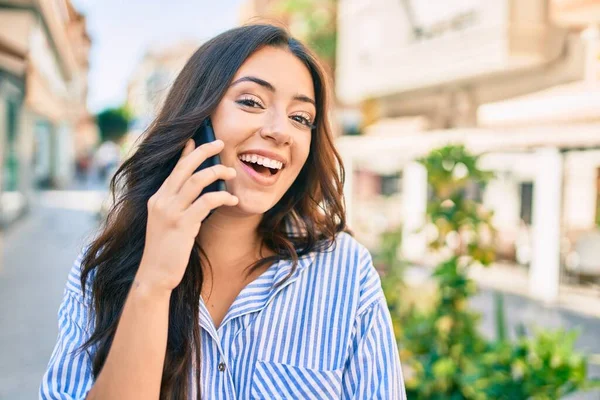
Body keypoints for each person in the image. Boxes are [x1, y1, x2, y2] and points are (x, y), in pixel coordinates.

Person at [39, 24, 406, 399]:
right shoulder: (106, 267)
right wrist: (152, 283)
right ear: (197, 118)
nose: (281, 131)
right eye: (251, 101)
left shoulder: (346, 273)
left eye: (300, 118)